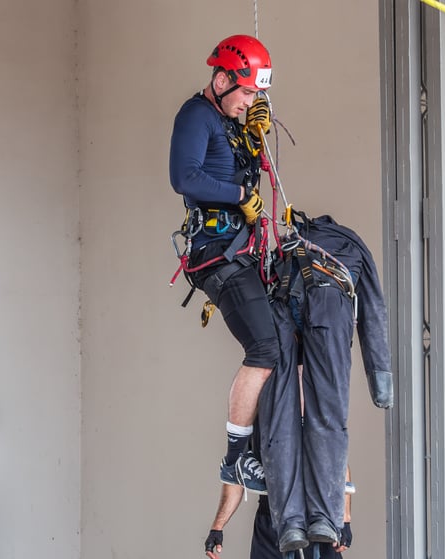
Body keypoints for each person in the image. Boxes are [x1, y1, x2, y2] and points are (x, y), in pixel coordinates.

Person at [169, 34, 278, 493]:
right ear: (221, 79)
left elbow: (243, 168)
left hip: (241, 249)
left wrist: (256, 136)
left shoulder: (232, 121)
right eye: (247, 91)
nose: (250, 100)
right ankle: (236, 458)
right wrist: (238, 196)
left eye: (257, 94)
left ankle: (266, 444)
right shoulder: (197, 115)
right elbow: (184, 177)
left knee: (282, 342)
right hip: (215, 254)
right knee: (265, 349)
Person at [258, 212, 394, 552]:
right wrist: (381, 385)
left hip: (279, 306)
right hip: (329, 306)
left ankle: (289, 524)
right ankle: (323, 518)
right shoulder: (352, 245)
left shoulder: (287, 245)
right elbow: (373, 311)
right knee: (327, 417)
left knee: (278, 421)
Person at [205, 472, 354, 559]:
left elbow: (339, 466)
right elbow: (237, 476)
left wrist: (345, 519)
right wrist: (217, 527)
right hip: (272, 523)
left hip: (318, 524)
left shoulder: (317, 419)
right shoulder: (254, 423)